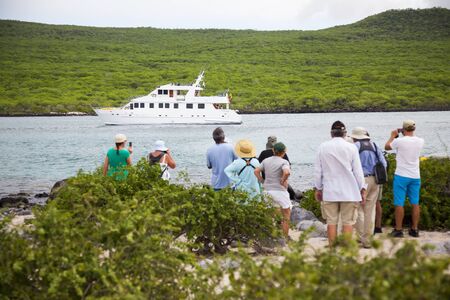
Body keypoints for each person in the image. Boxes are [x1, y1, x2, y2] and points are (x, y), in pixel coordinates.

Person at [314, 121, 366, 247]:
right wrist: (362, 188)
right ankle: (346, 250)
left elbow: (317, 171)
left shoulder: (322, 147)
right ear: (345, 133)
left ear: (331, 133)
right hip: (349, 191)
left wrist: (318, 188)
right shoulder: (352, 147)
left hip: (330, 191)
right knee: (348, 223)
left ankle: (332, 250)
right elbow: (358, 171)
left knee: (331, 222)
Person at [385, 120, 424, 238]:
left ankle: (398, 229)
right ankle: (414, 229)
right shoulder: (421, 141)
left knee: (399, 203)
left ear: (403, 129)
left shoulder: (398, 141)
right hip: (415, 176)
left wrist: (392, 136)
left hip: (401, 175)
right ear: (414, 129)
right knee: (415, 203)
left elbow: (387, 147)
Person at [350, 127, 387, 248]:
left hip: (362, 180)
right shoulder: (374, 145)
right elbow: (384, 163)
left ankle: (361, 237)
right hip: (375, 180)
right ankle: (368, 240)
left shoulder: (356, 146)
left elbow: (351, 164)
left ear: (355, 137)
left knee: (358, 208)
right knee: (370, 210)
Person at [254, 142, 291, 237]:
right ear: (284, 152)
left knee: (269, 216)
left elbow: (256, 171)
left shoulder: (266, 160)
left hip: (267, 190)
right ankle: (285, 238)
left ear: (273, 151)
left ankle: (271, 237)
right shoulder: (284, 162)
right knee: (286, 215)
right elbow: (286, 172)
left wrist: (262, 181)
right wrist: (283, 181)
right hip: (280, 191)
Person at [258, 136, 297, 200]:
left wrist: (262, 180)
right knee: (288, 199)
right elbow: (288, 169)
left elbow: (257, 168)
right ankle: (294, 199)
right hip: (280, 182)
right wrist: (283, 180)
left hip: (267, 181)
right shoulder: (283, 154)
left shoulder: (263, 153)